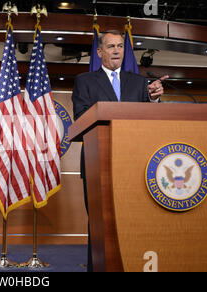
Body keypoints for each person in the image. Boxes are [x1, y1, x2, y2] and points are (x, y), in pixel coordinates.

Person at [71, 30, 169, 272]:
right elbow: (81, 117)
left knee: (132, 220)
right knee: (99, 224)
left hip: (134, 163)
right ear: (100, 52)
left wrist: (154, 99)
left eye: (120, 46)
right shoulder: (84, 81)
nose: (116, 50)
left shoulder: (138, 83)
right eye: (111, 46)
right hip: (97, 165)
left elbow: (149, 120)